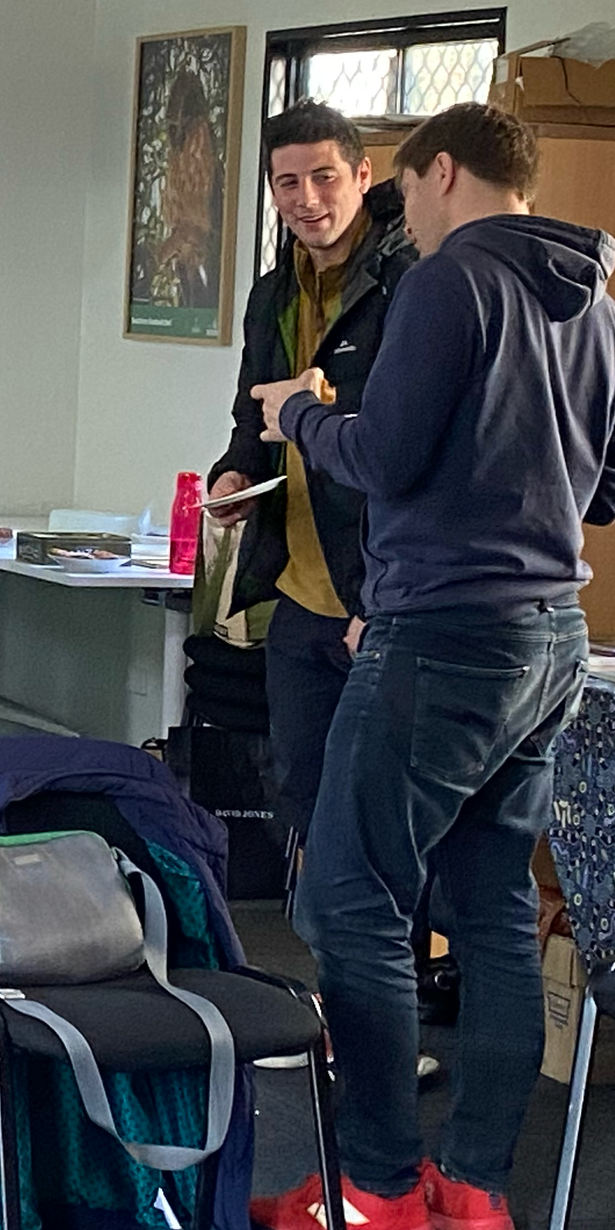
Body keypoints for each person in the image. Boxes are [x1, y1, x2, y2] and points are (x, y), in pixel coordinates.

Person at [247, 104, 615, 1230]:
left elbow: (382, 458)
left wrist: (304, 415)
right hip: (549, 634)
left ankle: (374, 1189)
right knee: (493, 909)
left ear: (443, 172)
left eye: (403, 192)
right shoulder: (601, 311)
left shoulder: (446, 283)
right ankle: (473, 1188)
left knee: (348, 904)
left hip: (442, 635)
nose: (397, 216)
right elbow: (603, 494)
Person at [205, 102, 417, 856]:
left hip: (381, 591)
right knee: (300, 789)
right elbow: (250, 418)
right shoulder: (272, 293)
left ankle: (395, 974)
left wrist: (381, 597)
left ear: (363, 175)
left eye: (325, 177)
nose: (307, 199)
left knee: (383, 807)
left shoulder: (407, 287)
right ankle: (329, 969)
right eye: (286, 182)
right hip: (297, 589)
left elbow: (406, 455)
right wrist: (234, 475)